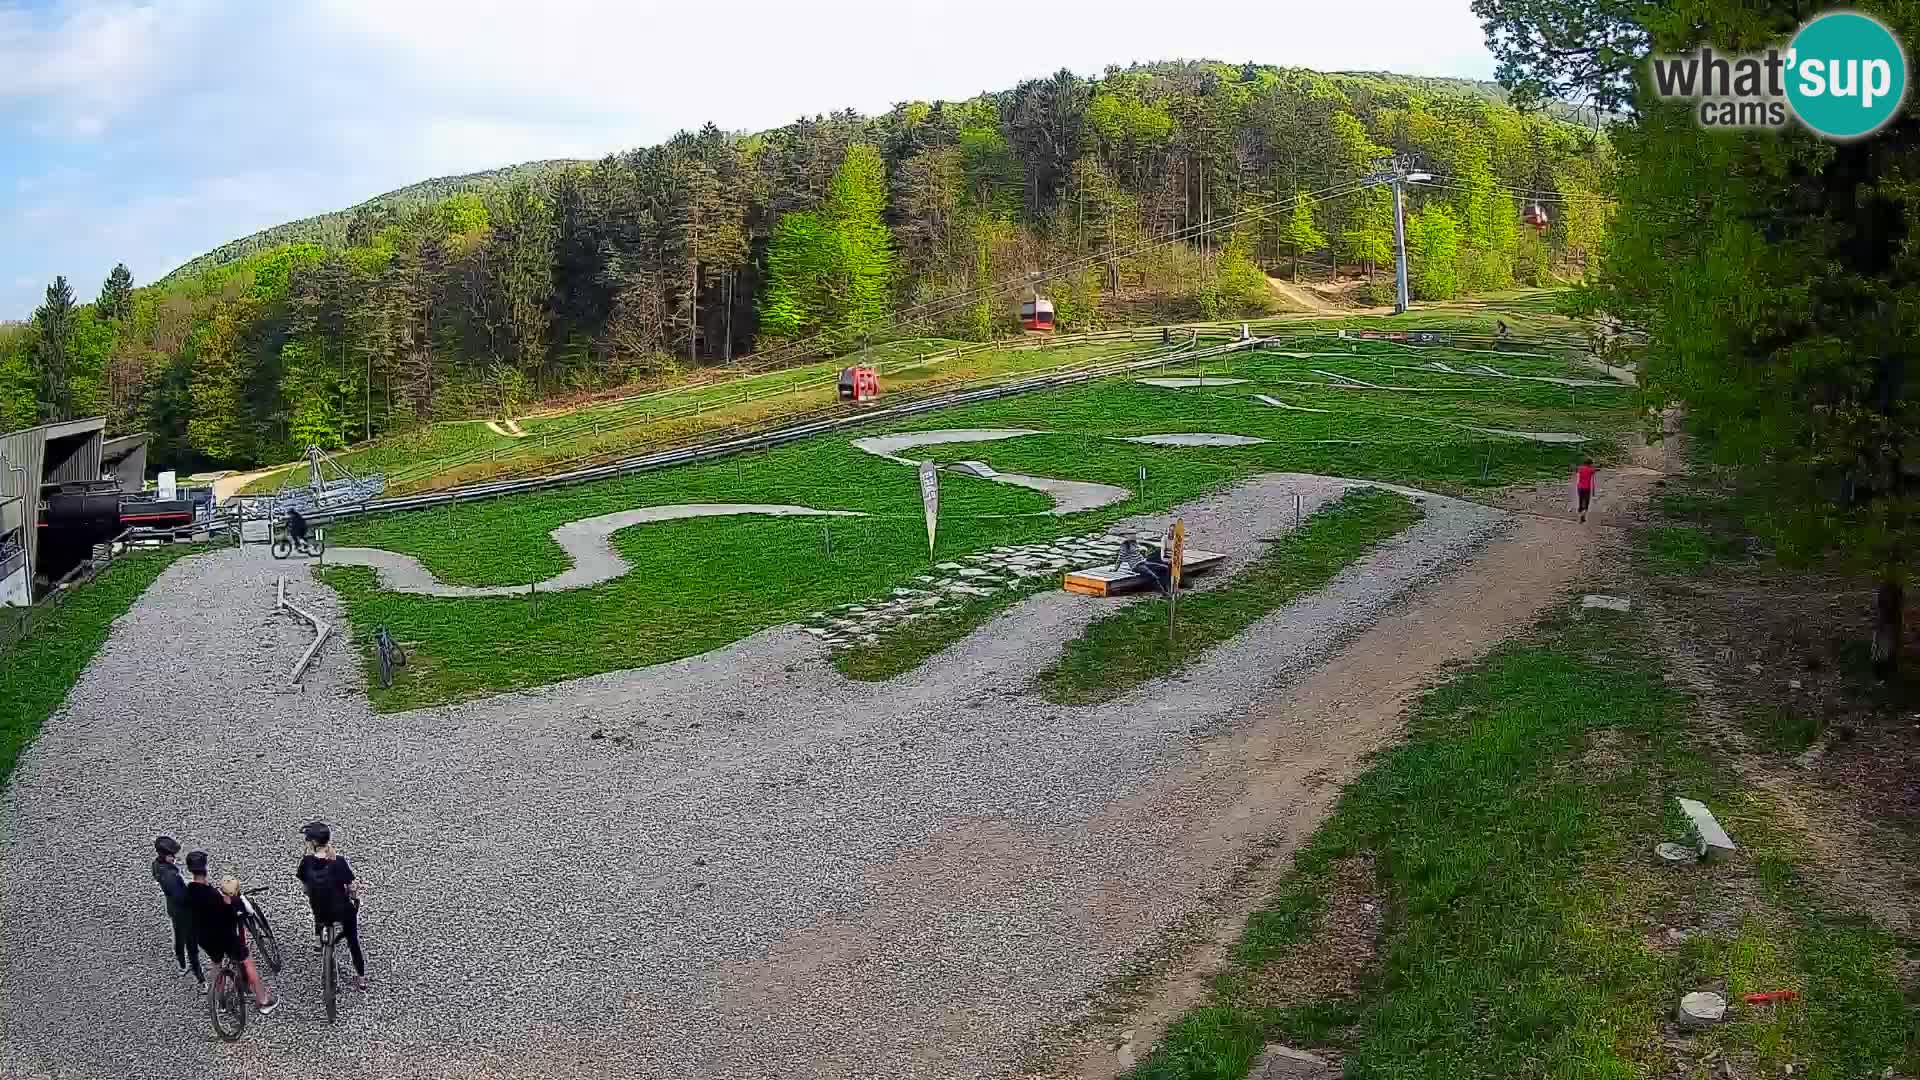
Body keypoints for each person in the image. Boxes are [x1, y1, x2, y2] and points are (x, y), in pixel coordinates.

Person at [184, 851, 276, 1014]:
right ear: (206, 868)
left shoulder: (189, 891)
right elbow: (229, 912)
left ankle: (219, 1001)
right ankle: (264, 1000)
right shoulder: (213, 895)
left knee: (216, 963)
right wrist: (235, 903)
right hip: (224, 936)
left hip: (204, 938)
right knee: (247, 961)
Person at [296, 821, 367, 990]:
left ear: (312, 843)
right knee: (352, 940)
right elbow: (351, 887)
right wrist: (355, 896)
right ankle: (361, 978)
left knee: (317, 903)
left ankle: (318, 940)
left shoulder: (306, 862)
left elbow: (306, 888)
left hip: (321, 910)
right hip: (342, 910)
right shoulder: (339, 862)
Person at [150, 836, 203, 990]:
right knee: (192, 946)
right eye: (172, 855)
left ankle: (181, 965)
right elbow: (183, 897)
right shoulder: (170, 877)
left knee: (178, 938)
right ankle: (200, 979)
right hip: (185, 914)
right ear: (165, 855)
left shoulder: (157, 866)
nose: (174, 858)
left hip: (173, 909)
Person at [1575, 458, 1598, 523]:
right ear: (1590, 464)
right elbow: (1593, 481)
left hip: (1579, 487)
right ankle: (1583, 515)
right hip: (1587, 488)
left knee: (1581, 501)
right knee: (1586, 502)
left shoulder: (1580, 468)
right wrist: (1593, 492)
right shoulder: (1591, 470)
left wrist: (1578, 486)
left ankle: (1580, 516)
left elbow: (1578, 478)